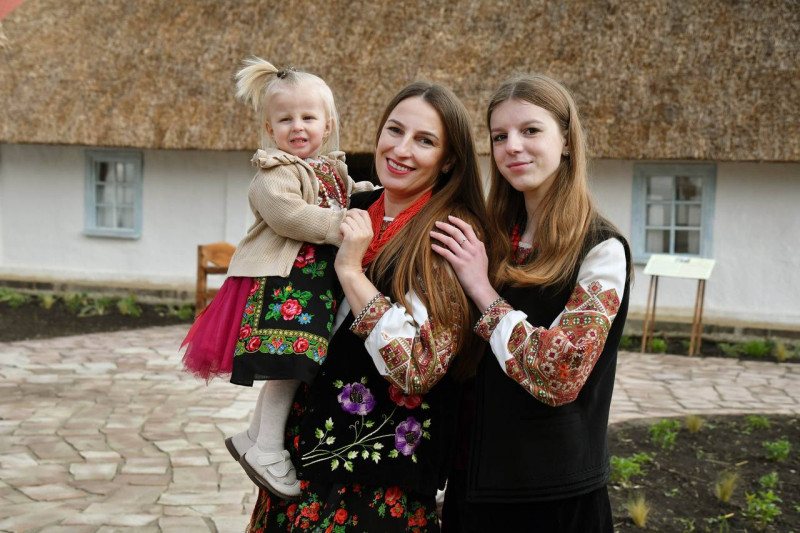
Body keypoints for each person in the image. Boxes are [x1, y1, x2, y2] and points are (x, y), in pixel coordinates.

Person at [247, 81, 488, 533]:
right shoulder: (347, 208)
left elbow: (418, 369)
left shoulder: (448, 234)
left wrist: (351, 272)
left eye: (424, 141)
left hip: (376, 482)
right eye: (394, 130)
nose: (401, 149)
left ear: (449, 160)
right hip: (302, 458)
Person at [432, 75, 632, 532]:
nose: (512, 147)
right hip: (472, 484)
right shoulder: (488, 237)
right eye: (499, 136)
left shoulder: (601, 249)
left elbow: (560, 373)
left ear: (566, 141)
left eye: (530, 130)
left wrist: (482, 290)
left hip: (552, 496)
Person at [181, 57, 373, 500]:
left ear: (328, 125)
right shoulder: (273, 173)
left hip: (313, 285)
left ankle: (254, 437)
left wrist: (373, 201)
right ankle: (267, 448)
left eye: (308, 118)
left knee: (297, 364)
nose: (297, 127)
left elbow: (351, 196)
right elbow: (289, 215)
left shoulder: (333, 170)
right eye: (286, 119)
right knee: (290, 366)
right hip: (286, 283)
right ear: (270, 129)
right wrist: (342, 224)